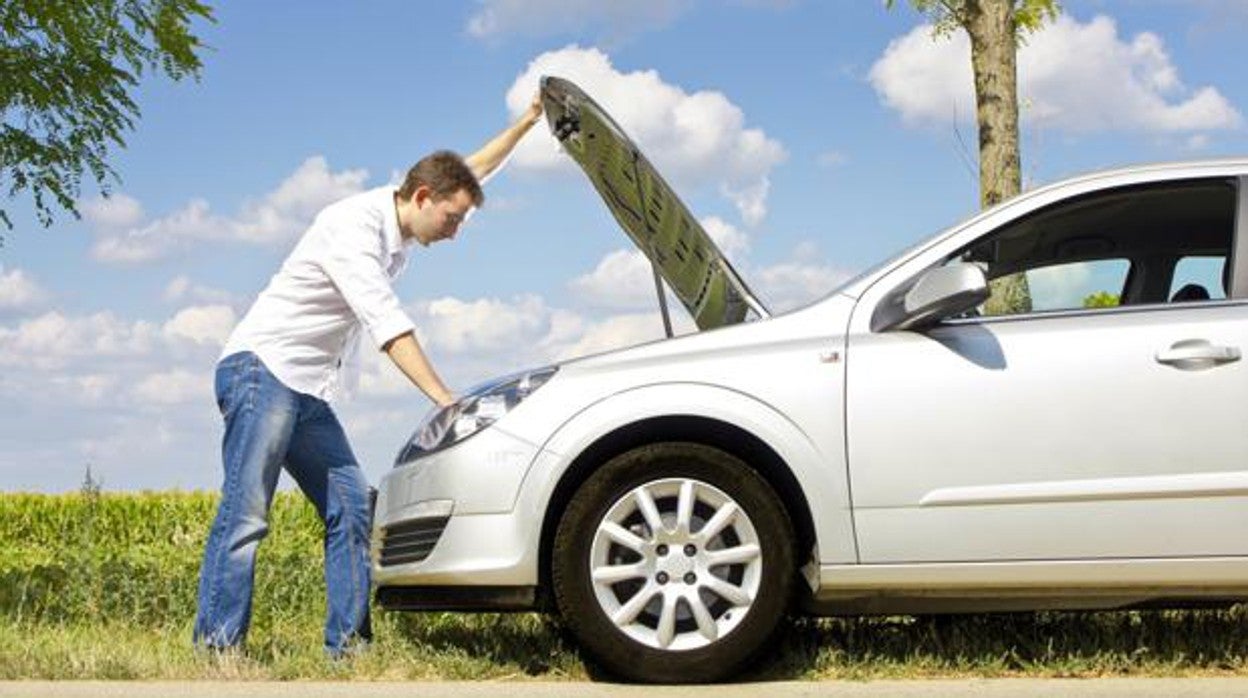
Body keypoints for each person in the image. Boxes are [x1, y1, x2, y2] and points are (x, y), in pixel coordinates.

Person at [193, 94, 545, 657]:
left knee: (354, 507)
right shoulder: (351, 227)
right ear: (423, 197)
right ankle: (216, 650)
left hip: (306, 389)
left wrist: (526, 124)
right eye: (453, 219)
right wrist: (445, 399)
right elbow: (387, 327)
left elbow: (475, 170)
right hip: (261, 372)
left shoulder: (410, 214)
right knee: (246, 514)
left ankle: (349, 650)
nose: (457, 232)